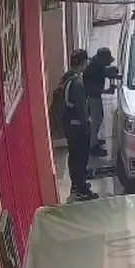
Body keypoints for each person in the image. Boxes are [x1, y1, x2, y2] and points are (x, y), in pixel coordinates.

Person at [60, 49, 99, 201]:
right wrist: (86, 125)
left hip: (70, 127)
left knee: (74, 156)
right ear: (83, 63)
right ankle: (80, 188)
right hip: (78, 128)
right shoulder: (76, 83)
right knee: (80, 157)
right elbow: (81, 108)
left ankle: (77, 185)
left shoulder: (67, 78)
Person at [83, 47, 116, 158]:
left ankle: (94, 140)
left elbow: (104, 72)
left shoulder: (97, 65)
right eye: (107, 61)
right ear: (102, 59)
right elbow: (91, 89)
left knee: (99, 118)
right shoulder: (92, 70)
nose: (108, 63)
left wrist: (112, 73)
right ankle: (93, 146)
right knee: (95, 122)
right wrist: (106, 91)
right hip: (92, 98)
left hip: (95, 97)